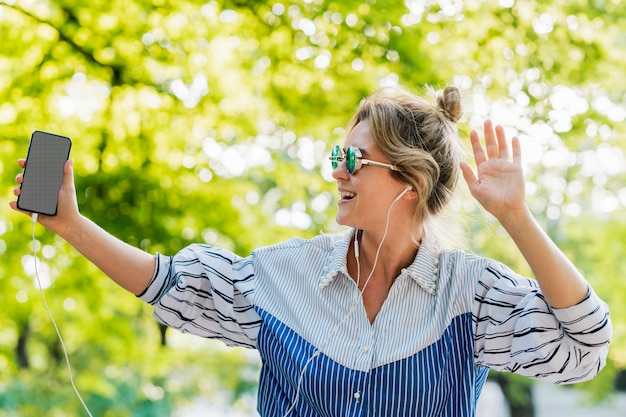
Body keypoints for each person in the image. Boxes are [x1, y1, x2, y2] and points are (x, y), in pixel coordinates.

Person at [11, 85, 611, 417]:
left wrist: (516, 217)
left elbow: (583, 349)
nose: (336, 173)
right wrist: (71, 225)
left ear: (410, 181)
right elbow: (172, 286)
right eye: (335, 157)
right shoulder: (285, 273)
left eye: (352, 159)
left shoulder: (470, 294)